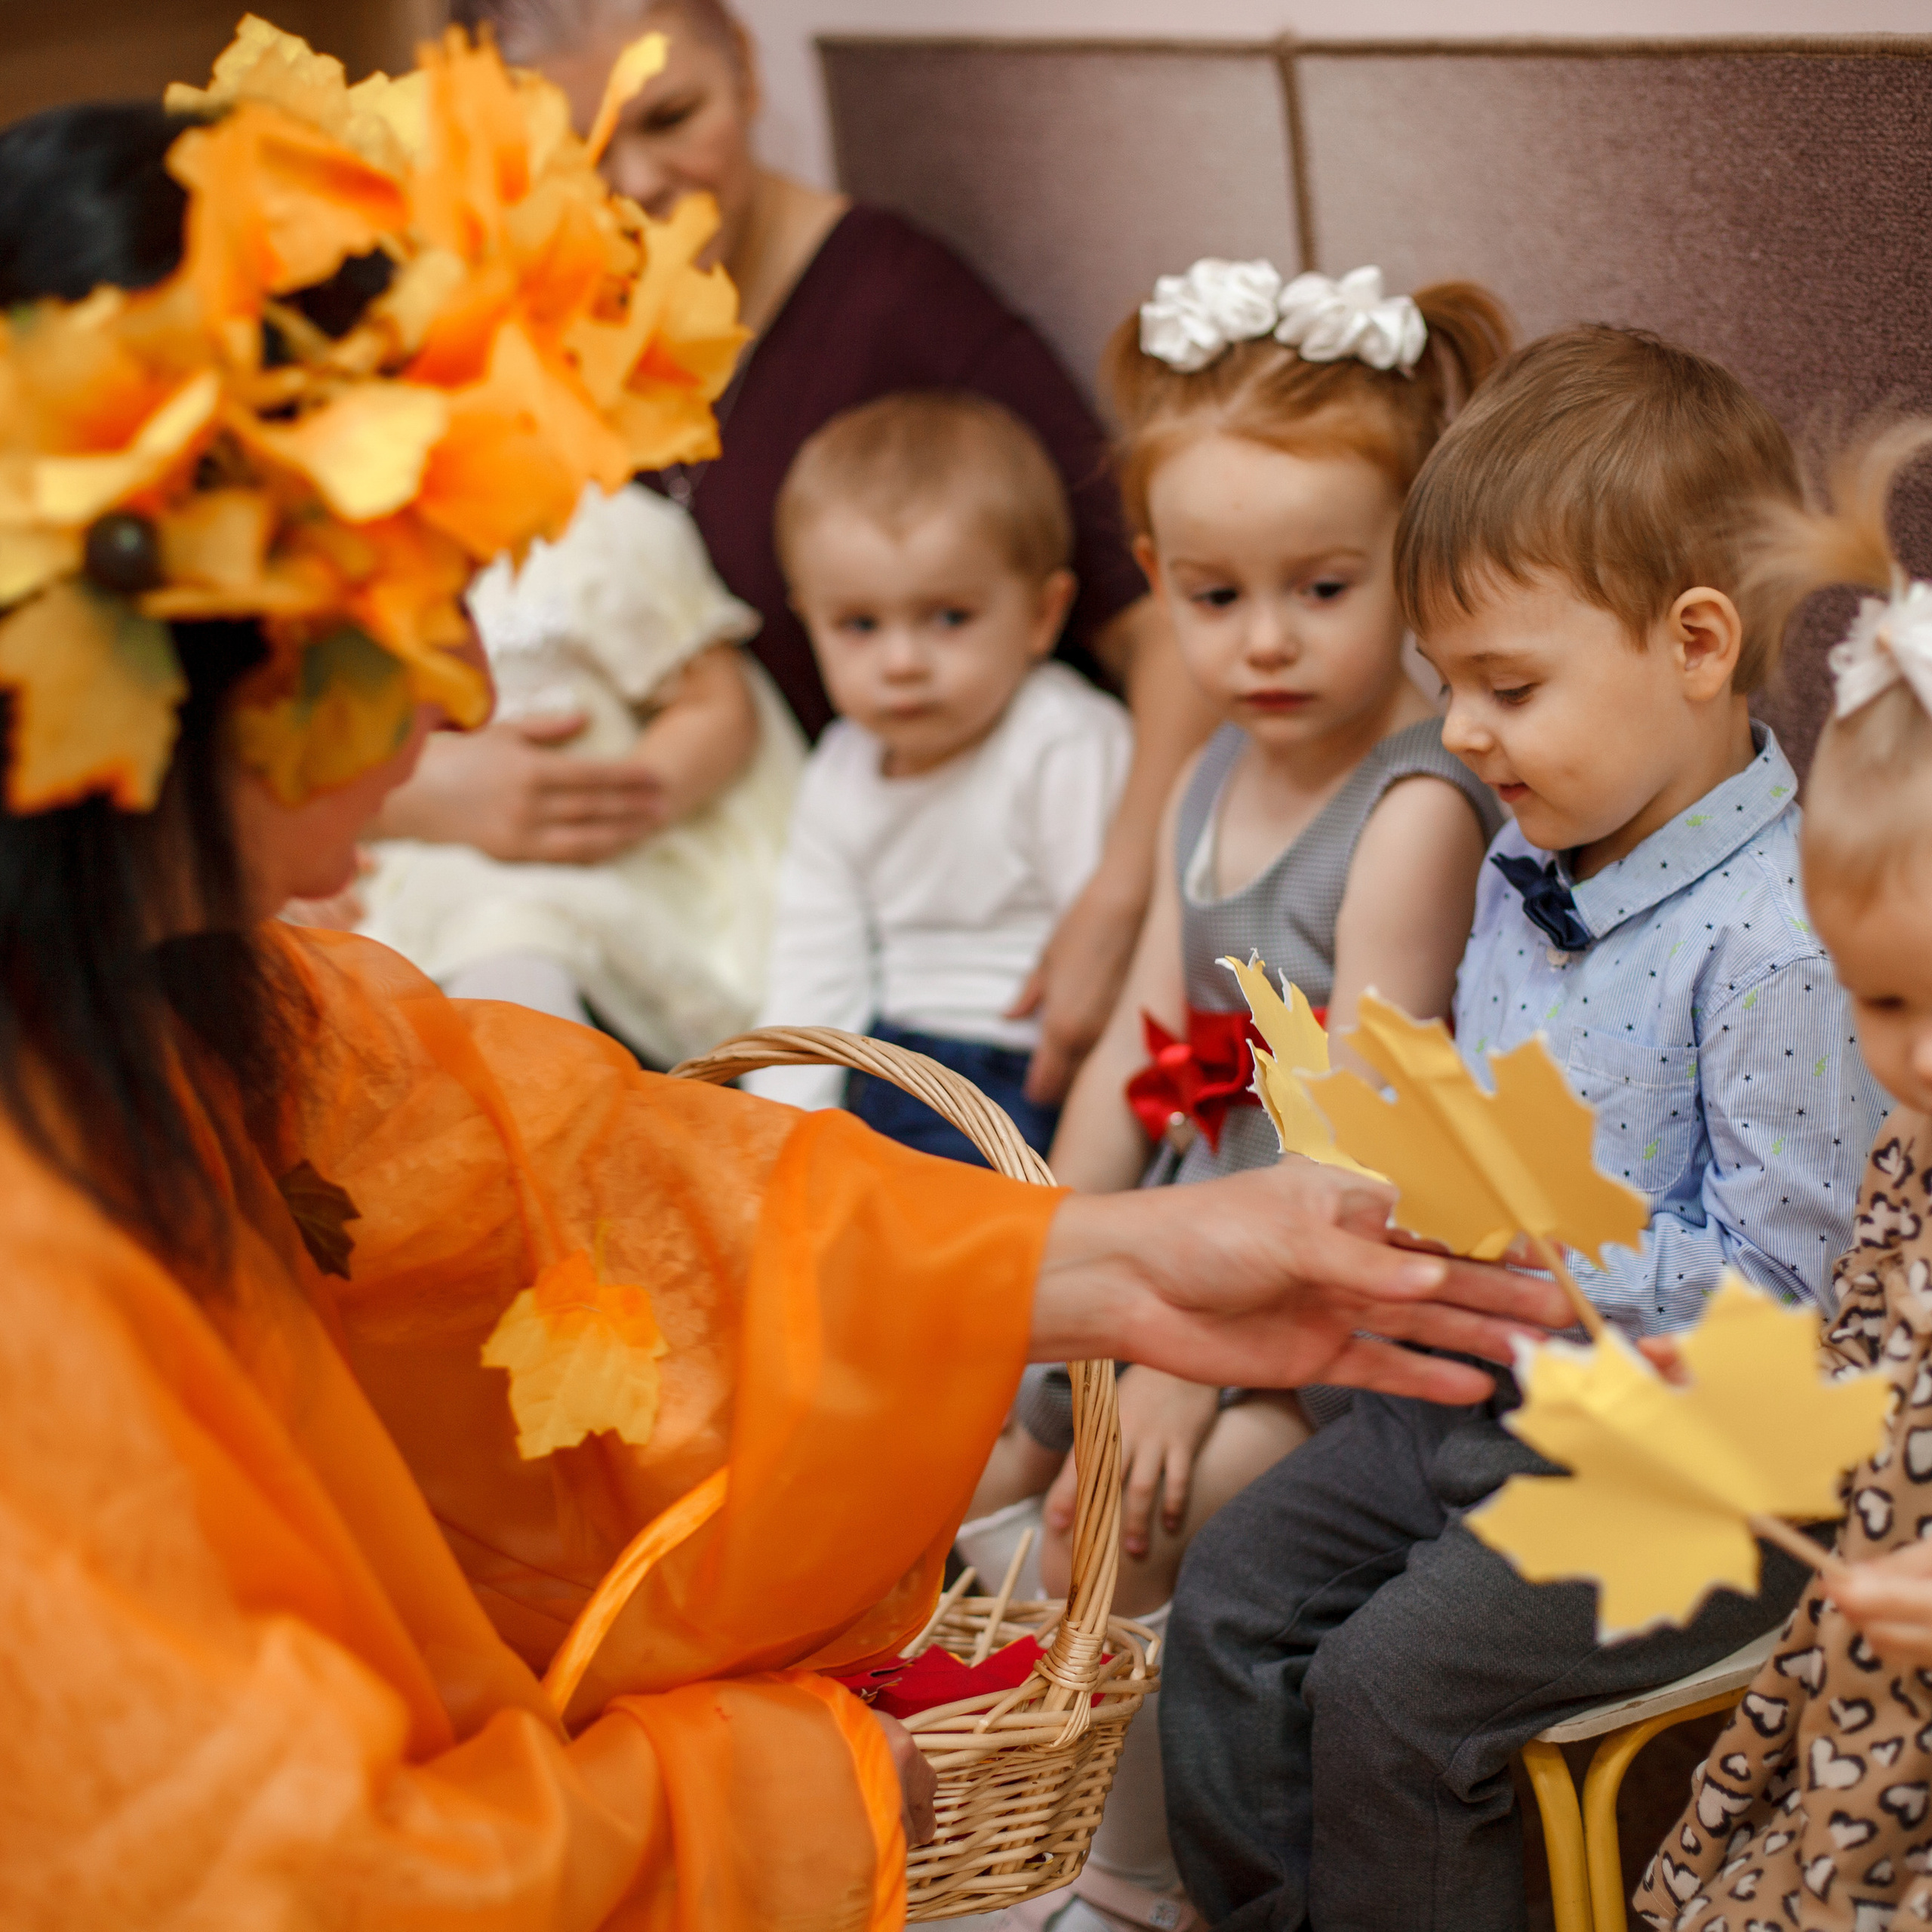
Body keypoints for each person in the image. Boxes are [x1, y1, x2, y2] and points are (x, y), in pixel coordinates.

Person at [0, 45, 1577, 1932]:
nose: (468, 708)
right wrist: (776, 1788)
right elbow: (267, 1867)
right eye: (402, 632)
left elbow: (566, 1199)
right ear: (176, 684)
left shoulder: (181, 999)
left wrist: (1098, 1262)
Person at [1161, 325, 1893, 1932]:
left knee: (1389, 1691)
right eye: (1447, 690)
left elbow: (1801, 1302)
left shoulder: (1775, 941)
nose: (1464, 735)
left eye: (1507, 686)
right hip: (1482, 1391)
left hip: (1693, 1460)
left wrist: (1558, 1238)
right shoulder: (1520, 852)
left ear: (1696, 643)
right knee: (1224, 1600)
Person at [390, 0, 1223, 1103]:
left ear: (745, 67)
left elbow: (1159, 624)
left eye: (673, 115)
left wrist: (1122, 898)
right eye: (572, 155)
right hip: (650, 911)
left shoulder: (896, 308)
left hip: (890, 931)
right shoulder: (527, 331)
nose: (635, 182)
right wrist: (421, 792)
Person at [969, 258, 1512, 1932]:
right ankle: (981, 1806)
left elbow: (1350, 1146)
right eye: (1211, 597)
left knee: (1151, 1501)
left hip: (1320, 1298)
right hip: (1177, 1262)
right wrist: (1030, 1278)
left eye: (1321, 587)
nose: (1261, 640)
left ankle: (1139, 1883)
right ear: (1152, 577)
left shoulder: (1411, 802)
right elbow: (1137, 1058)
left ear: (1411, 571)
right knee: (968, 1457)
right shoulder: (1206, 769)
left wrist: (1172, 1375)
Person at [1632, 427, 1932, 1930]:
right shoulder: (1905, 1161)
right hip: (1867, 1691)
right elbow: (1857, 1363)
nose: (1920, 1056)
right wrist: (1743, 1393)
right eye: (1879, 1005)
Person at [744, 392, 1132, 1161]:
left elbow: (1109, 953)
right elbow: (815, 964)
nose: (902, 663)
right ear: (809, 620)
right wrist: (779, 1138)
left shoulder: (1058, 739)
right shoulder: (842, 766)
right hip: (890, 1061)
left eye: (949, 617)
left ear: (1041, 615)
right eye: (859, 625)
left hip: (1031, 1066)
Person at [358, 478, 807, 1064]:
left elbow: (715, 701)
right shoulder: (349, 552)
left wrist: (640, 793)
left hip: (602, 855)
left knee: (514, 931)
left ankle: (542, 1120)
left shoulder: (596, 530)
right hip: (411, 856)